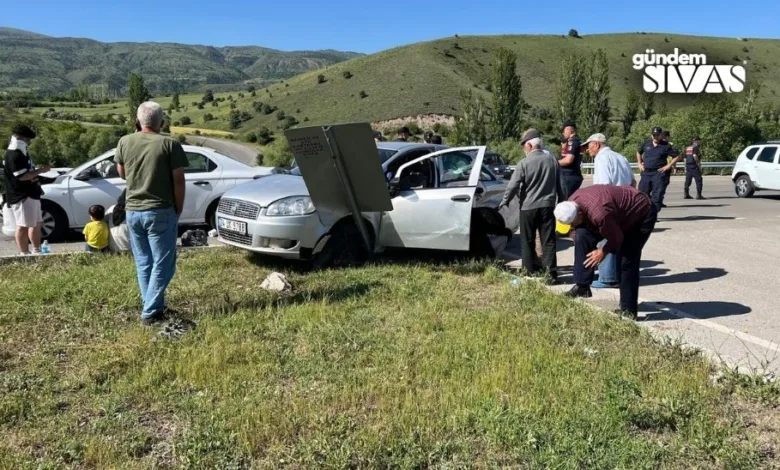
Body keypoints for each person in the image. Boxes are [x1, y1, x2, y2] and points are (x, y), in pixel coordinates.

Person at [116, 101, 187, 326]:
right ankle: (150, 312)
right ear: (161, 122)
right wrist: (179, 206)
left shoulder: (125, 141)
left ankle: (153, 306)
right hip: (160, 210)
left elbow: (122, 173)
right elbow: (179, 179)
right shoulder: (170, 144)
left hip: (133, 211)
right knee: (165, 263)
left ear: (137, 121)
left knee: (144, 262)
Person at [554, 185, 657, 320]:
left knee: (626, 260)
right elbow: (575, 229)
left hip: (640, 214)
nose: (571, 227)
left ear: (579, 214)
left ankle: (628, 310)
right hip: (615, 214)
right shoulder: (571, 203)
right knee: (581, 236)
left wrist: (602, 251)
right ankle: (582, 286)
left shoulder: (599, 214)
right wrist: (576, 237)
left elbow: (617, 238)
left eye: (572, 223)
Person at [499, 128, 566, 282]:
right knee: (548, 241)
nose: (523, 149)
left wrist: (505, 201)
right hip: (548, 207)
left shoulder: (524, 163)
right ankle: (551, 275)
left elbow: (513, 185)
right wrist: (562, 202)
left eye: (524, 145)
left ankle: (528, 271)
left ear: (529, 145)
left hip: (528, 207)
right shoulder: (552, 160)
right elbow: (561, 185)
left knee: (527, 240)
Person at [584, 133, 635, 289]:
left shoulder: (601, 158)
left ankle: (608, 277)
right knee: (619, 238)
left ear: (597, 144)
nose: (587, 150)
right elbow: (633, 181)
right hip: (626, 202)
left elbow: (603, 185)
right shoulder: (621, 157)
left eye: (589, 146)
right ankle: (615, 274)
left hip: (610, 203)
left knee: (607, 237)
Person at [3, 124, 50, 255]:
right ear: (20, 138)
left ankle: (37, 249)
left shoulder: (22, 153)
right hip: (22, 195)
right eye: (27, 140)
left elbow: (28, 172)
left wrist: (36, 173)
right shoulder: (14, 154)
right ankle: (24, 253)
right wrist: (42, 170)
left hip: (32, 192)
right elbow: (22, 177)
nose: (28, 143)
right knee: (23, 225)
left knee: (36, 223)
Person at [636, 126, 680, 212]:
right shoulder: (646, 144)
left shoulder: (665, 146)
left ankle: (653, 215)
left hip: (658, 173)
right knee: (642, 193)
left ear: (660, 135)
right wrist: (639, 163)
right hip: (646, 172)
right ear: (652, 135)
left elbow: (676, 156)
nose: (655, 137)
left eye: (657, 135)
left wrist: (668, 166)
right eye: (654, 135)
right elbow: (638, 152)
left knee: (657, 194)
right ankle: (645, 213)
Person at [559, 122, 583, 198]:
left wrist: (553, 162)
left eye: (564, 130)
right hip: (572, 175)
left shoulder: (573, 141)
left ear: (570, 130)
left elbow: (568, 160)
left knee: (565, 203)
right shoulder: (574, 141)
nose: (563, 133)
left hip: (569, 176)